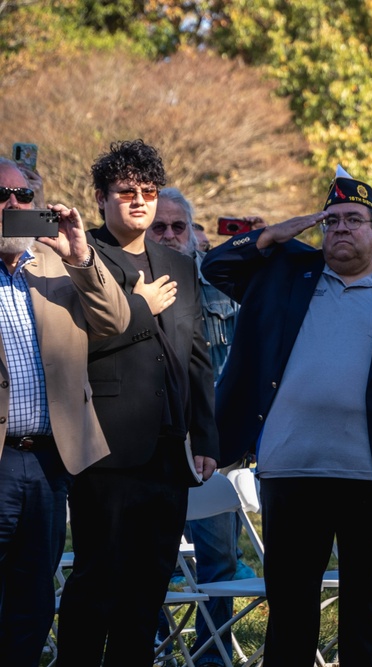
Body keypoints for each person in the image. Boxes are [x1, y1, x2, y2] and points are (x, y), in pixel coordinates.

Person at [202, 166, 372, 667]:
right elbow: (216, 267)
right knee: (290, 613)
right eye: (332, 221)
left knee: (368, 613)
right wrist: (281, 231)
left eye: (354, 220)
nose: (342, 229)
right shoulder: (286, 274)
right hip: (292, 471)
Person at [56, 139, 219, 667]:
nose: (140, 201)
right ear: (101, 198)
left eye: (148, 191)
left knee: (148, 590)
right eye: (126, 192)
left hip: (169, 452)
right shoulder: (79, 257)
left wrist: (206, 437)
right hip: (105, 448)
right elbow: (75, 344)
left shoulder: (178, 261)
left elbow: (197, 354)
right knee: (96, 584)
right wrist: (139, 310)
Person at [0, 160, 129, 666]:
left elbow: (115, 320)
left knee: (33, 599)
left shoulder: (58, 264)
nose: (12, 205)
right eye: (0, 195)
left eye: (22, 196)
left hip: (51, 461)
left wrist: (80, 255)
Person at [150, 186, 242, 666]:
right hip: (146, 449)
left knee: (219, 561)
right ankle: (159, 648)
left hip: (210, 447)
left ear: (193, 233)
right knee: (151, 562)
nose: (168, 235)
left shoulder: (218, 284)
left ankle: (211, 656)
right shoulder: (126, 285)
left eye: (178, 227)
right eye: (158, 227)